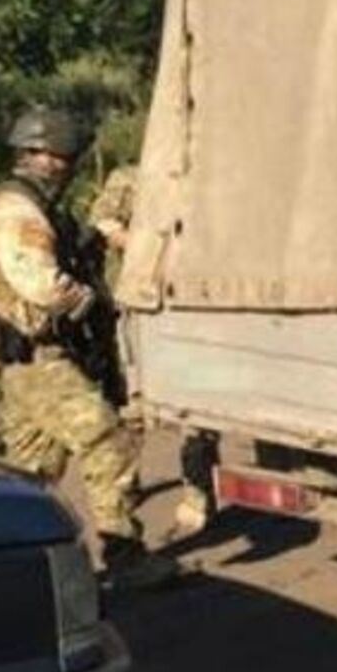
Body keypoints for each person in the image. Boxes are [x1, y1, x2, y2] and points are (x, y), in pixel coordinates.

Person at [0, 107, 183, 589]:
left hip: (28, 358)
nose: (66, 166)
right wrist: (84, 301)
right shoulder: (17, 212)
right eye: (63, 158)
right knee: (107, 439)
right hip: (40, 355)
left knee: (32, 468)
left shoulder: (28, 206)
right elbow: (40, 284)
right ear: (42, 156)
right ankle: (124, 556)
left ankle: (6, 560)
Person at [88, 161, 218, 540]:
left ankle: (197, 499)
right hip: (142, 304)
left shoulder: (205, 172)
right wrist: (146, 246)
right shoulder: (131, 177)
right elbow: (102, 222)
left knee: (197, 413)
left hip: (195, 307)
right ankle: (124, 489)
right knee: (131, 406)